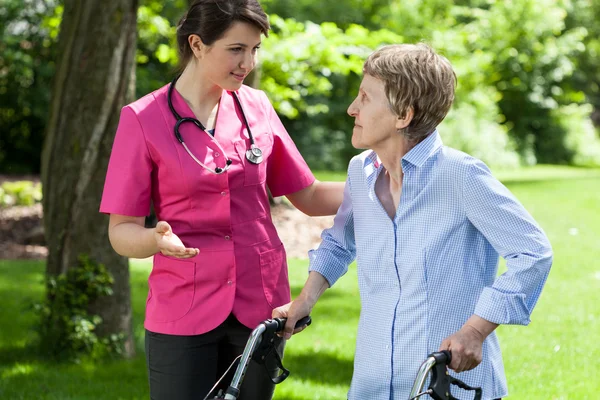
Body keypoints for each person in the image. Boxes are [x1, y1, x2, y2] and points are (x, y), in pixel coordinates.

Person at [273, 43, 553, 400]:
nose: (352, 109)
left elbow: (533, 252)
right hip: (373, 382)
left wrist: (476, 331)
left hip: (449, 384)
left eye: (365, 98)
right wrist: (306, 300)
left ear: (403, 115)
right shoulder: (361, 172)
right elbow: (340, 242)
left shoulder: (461, 176)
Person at [99, 1, 344, 399]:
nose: (247, 62)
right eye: (236, 49)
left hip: (259, 302)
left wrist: (385, 183)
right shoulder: (142, 119)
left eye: (254, 50)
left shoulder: (258, 107)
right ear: (197, 44)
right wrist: (155, 241)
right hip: (182, 305)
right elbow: (120, 231)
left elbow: (310, 195)